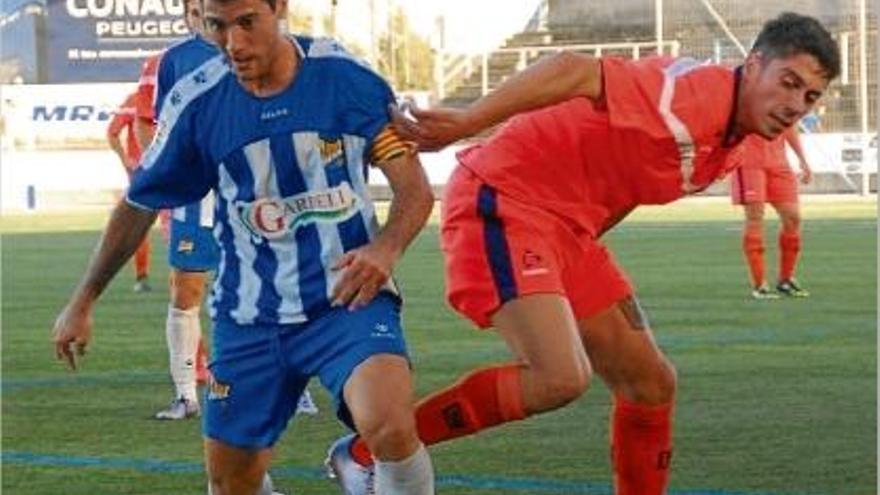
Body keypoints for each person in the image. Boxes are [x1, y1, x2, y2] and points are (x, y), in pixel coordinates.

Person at [326, 12, 839, 495]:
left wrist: (583, 246)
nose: (796, 104)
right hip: (505, 198)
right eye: (788, 81)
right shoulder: (693, 98)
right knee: (560, 378)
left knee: (650, 383)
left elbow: (632, 176)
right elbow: (573, 70)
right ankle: (370, 452)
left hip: (566, 228)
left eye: (810, 96)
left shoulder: (738, 136)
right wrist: (467, 121)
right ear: (752, 65)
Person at [52, 0, 437, 492]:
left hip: (346, 298)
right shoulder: (197, 101)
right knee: (231, 482)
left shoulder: (345, 78)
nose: (232, 42)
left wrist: (384, 249)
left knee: (389, 424)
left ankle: (362, 465)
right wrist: (83, 299)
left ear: (279, 9)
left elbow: (414, 189)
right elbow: (140, 201)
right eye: (216, 26)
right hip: (248, 315)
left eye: (246, 22)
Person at [132, 0, 217, 421]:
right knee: (186, 289)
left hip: (256, 190)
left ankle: (292, 389)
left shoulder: (266, 48)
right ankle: (186, 395)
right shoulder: (170, 61)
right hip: (195, 196)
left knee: (273, 288)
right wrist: (163, 170)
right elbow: (149, 120)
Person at [729, 127, 813, 299]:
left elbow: (789, 126)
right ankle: (760, 285)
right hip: (748, 162)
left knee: (793, 217)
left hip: (778, 162)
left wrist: (802, 159)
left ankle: (786, 280)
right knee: (755, 217)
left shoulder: (785, 101)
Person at [106, 91, 153, 293]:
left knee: (140, 224)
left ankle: (143, 277)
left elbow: (112, 132)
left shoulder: (136, 99)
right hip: (153, 170)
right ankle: (189, 273)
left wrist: (126, 160)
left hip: (150, 170)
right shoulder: (138, 100)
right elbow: (112, 132)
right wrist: (126, 160)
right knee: (180, 221)